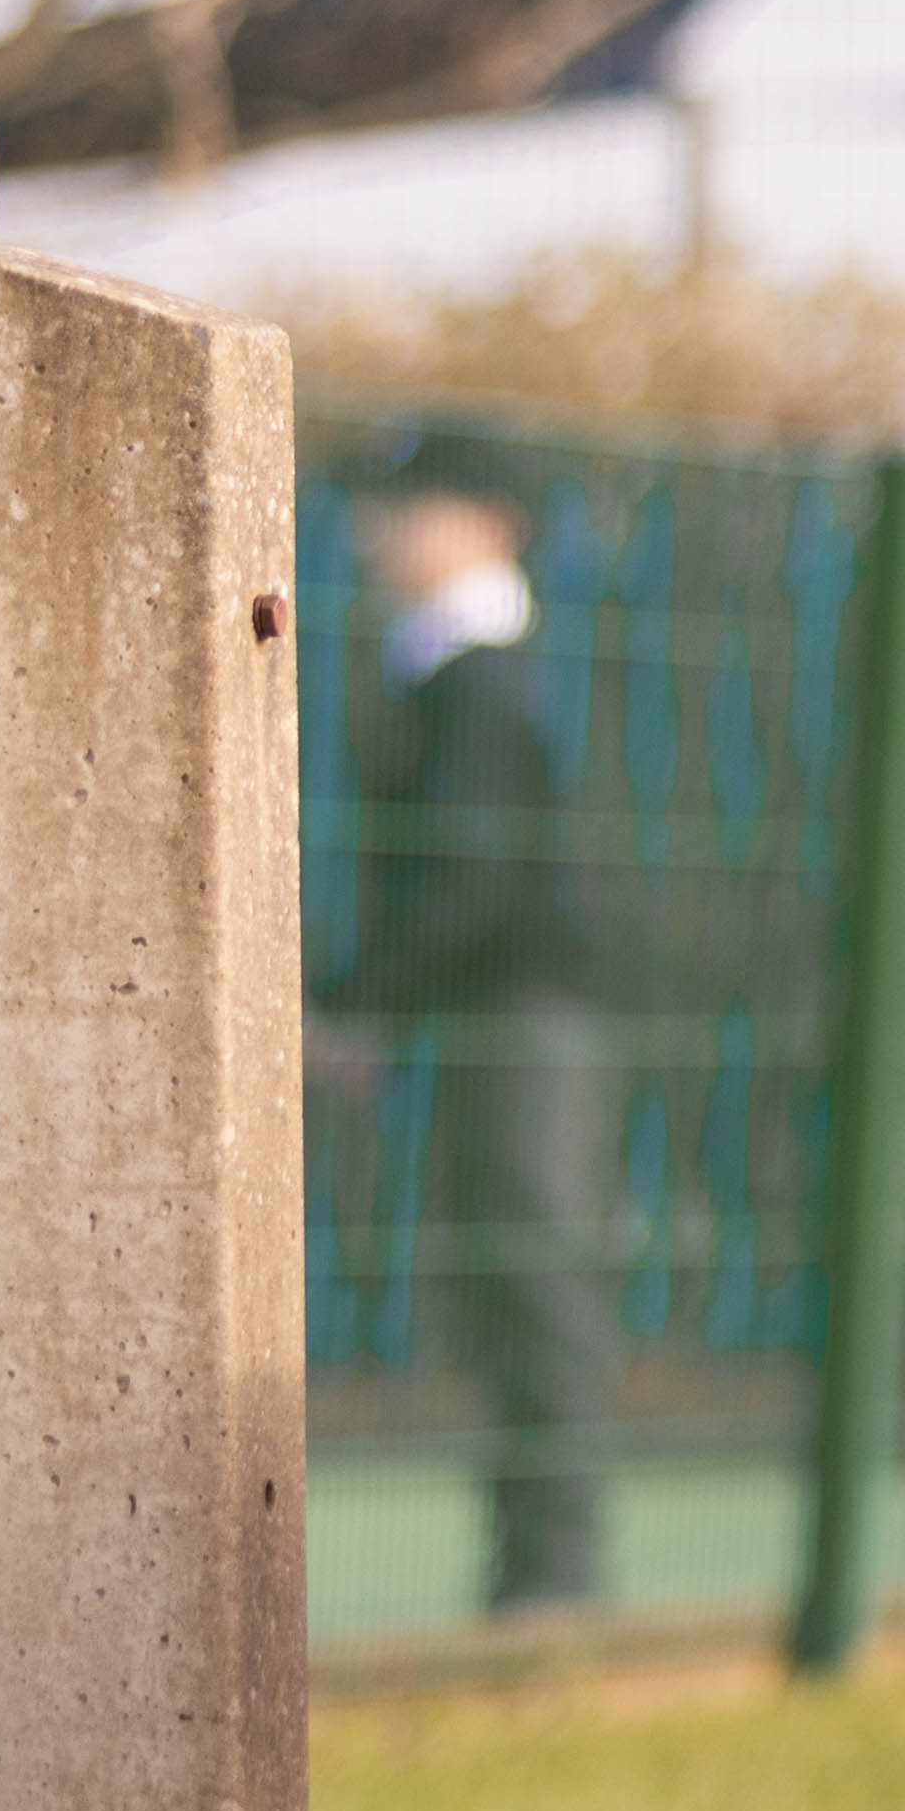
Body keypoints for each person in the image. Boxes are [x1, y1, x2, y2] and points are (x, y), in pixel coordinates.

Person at [341, 430, 616, 1614]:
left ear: (490, 521)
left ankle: (552, 1574)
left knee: (533, 1277)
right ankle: (530, 1569)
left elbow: (468, 878)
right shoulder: (458, 668)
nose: (379, 529)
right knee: (504, 1280)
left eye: (413, 503)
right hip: (498, 1015)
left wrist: (360, 1006)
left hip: (526, 1016)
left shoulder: (484, 676)